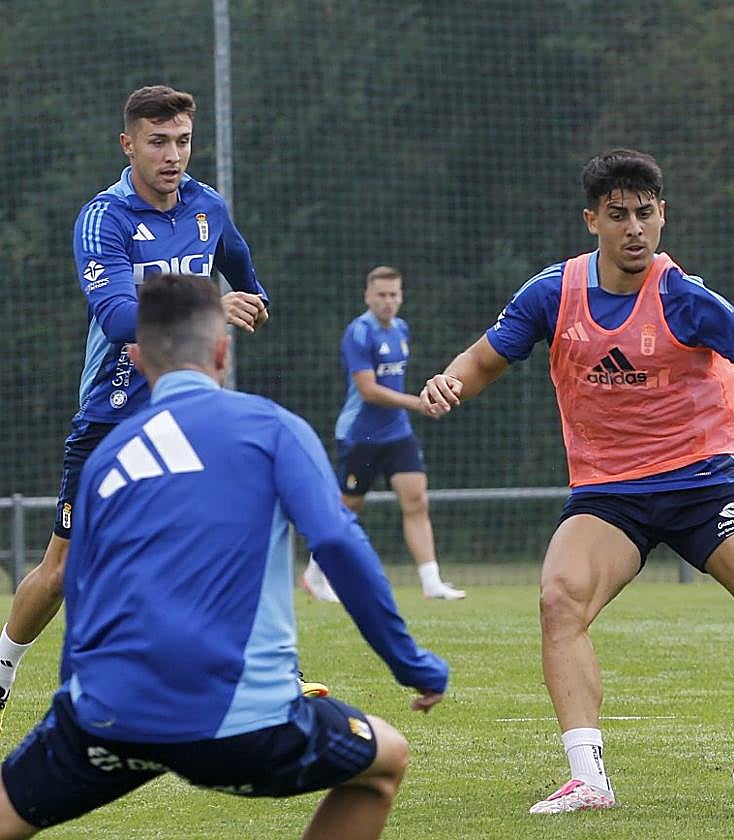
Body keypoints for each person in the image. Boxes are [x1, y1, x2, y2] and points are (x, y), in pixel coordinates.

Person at [420, 149, 734, 815]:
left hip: (702, 485)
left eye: (645, 214)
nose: (634, 229)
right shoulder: (552, 293)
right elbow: (482, 359)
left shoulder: (685, 297)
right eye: (617, 215)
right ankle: (589, 778)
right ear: (591, 219)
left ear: (663, 217)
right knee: (559, 601)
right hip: (608, 494)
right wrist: (450, 381)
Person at [0, 274, 449, 840]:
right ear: (222, 349)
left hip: (105, 718)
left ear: (137, 360)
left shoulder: (106, 457)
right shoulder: (273, 429)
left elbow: (82, 592)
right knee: (384, 762)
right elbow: (336, 543)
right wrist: (414, 666)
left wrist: (79, 714)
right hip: (239, 728)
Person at [0, 85, 288, 726]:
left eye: (183, 140)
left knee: (232, 518)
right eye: (158, 142)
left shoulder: (207, 207)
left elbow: (243, 271)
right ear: (128, 144)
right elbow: (118, 314)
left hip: (187, 409)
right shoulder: (104, 217)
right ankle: (3, 666)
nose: (173, 155)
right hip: (113, 411)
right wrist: (215, 307)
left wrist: (254, 301)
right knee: (60, 569)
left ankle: (262, 664)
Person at [302, 266, 465, 602]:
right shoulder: (359, 332)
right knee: (348, 509)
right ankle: (315, 574)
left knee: (416, 500)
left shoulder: (401, 330)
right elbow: (368, 391)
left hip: (397, 433)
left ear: (401, 296)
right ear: (368, 296)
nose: (388, 301)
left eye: (394, 295)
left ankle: (431, 581)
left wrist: (410, 408)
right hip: (361, 435)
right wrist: (418, 404)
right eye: (382, 295)